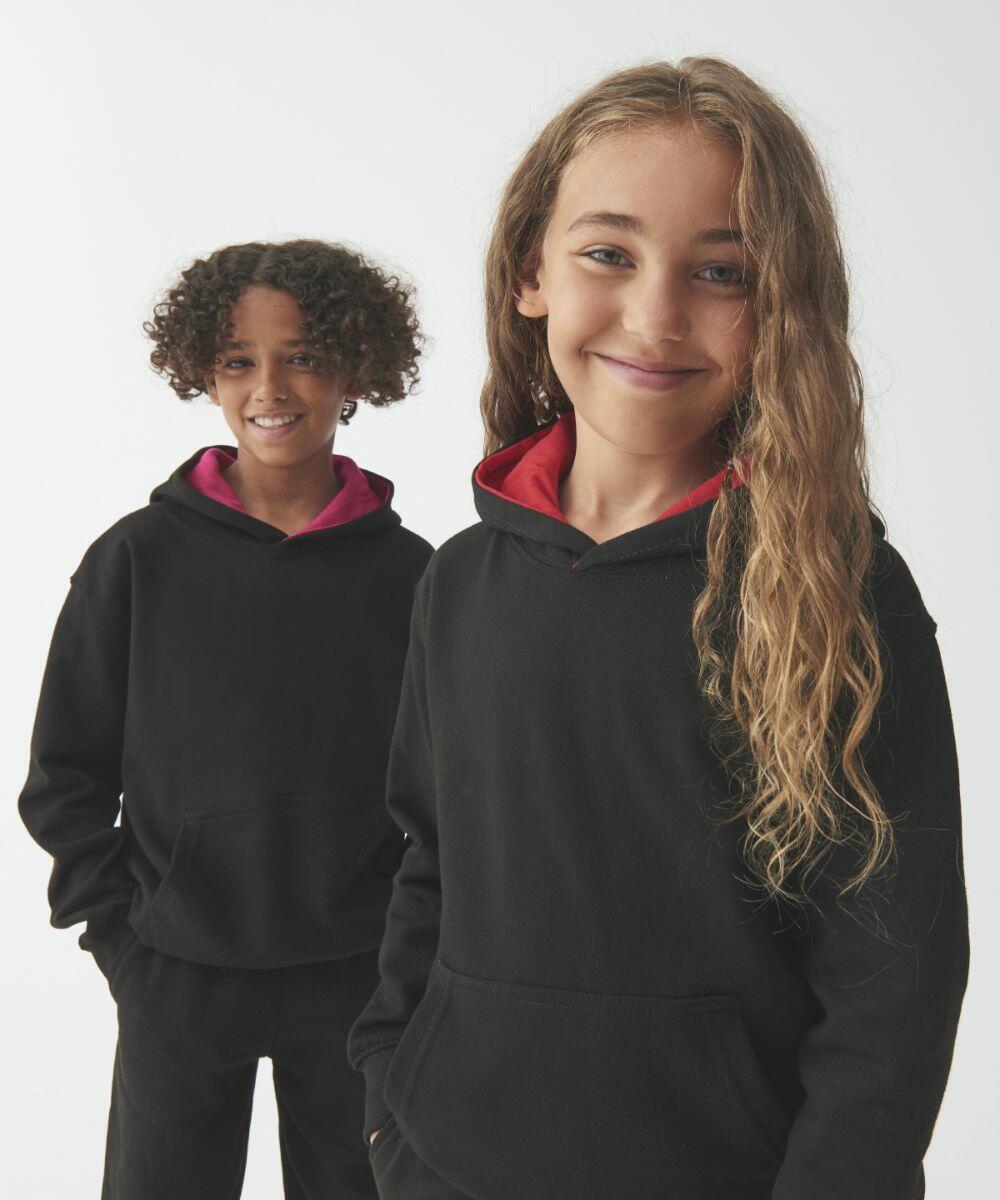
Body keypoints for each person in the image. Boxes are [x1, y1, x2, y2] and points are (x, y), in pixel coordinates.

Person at [346, 59, 970, 1200]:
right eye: (609, 253)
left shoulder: (835, 592)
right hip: (444, 1167)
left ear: (779, 308)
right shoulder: (460, 581)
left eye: (721, 271)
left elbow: (894, 974)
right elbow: (427, 862)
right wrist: (394, 1101)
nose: (655, 315)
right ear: (530, 270)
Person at [18, 238, 434, 1199]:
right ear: (204, 374)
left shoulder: (414, 574)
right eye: (239, 360)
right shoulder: (136, 559)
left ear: (354, 369)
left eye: (303, 356)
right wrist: (120, 939)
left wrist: (409, 951)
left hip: (358, 974)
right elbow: (65, 775)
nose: (270, 387)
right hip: (176, 971)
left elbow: (445, 787)